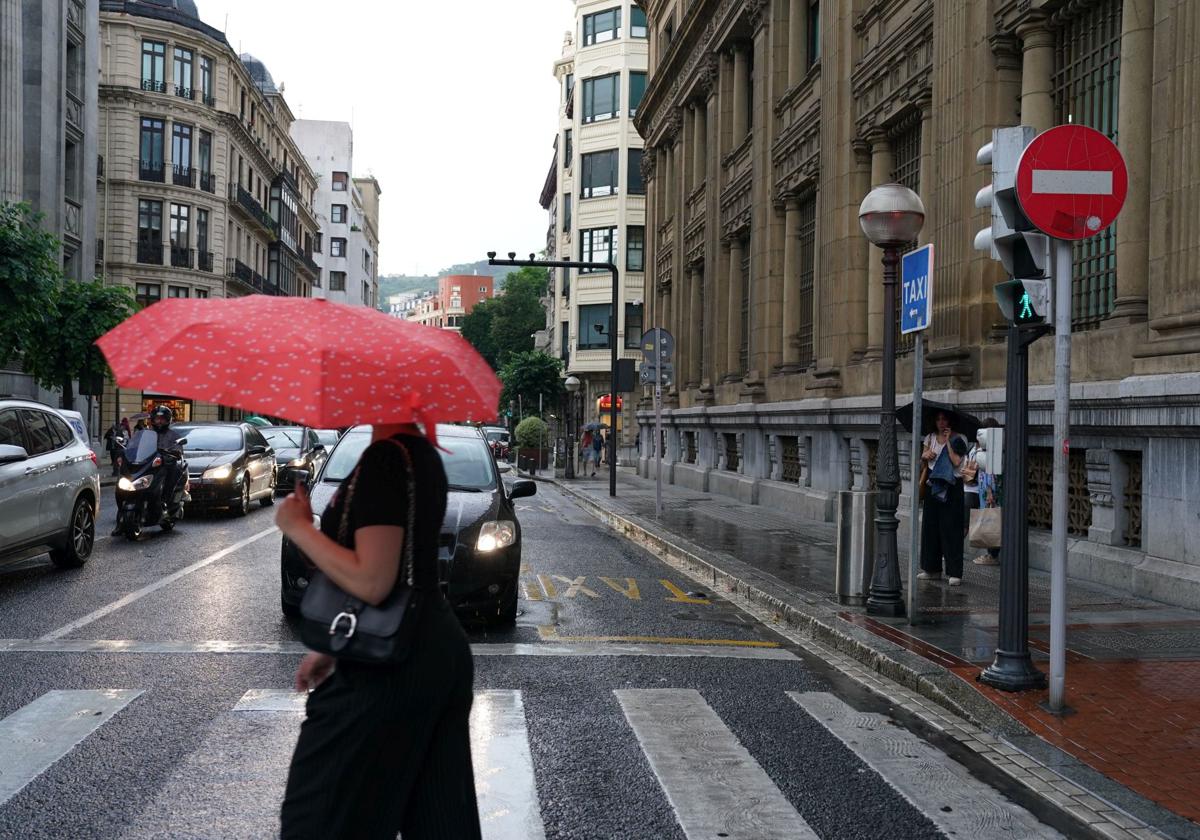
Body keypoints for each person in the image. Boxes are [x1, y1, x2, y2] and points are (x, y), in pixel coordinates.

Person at [275, 422, 481, 840]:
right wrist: (337, 645)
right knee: (437, 822)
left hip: (391, 668)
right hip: (430, 648)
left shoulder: (385, 461)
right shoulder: (417, 454)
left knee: (318, 820)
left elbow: (374, 580)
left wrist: (299, 529)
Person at [918, 411, 970, 586]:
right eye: (938, 418)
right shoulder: (929, 438)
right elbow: (923, 462)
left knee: (951, 528)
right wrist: (924, 456)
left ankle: (955, 571)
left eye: (944, 419)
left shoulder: (959, 438)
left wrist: (948, 440)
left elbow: (956, 461)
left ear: (950, 420)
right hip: (933, 485)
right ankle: (931, 568)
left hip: (952, 486)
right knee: (930, 527)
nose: (941, 422)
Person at [966, 419, 1002, 566]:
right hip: (985, 488)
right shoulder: (986, 447)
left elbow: (990, 473)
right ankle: (991, 553)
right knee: (990, 518)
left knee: (990, 519)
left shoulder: (991, 449)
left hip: (988, 490)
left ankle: (992, 554)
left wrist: (989, 492)